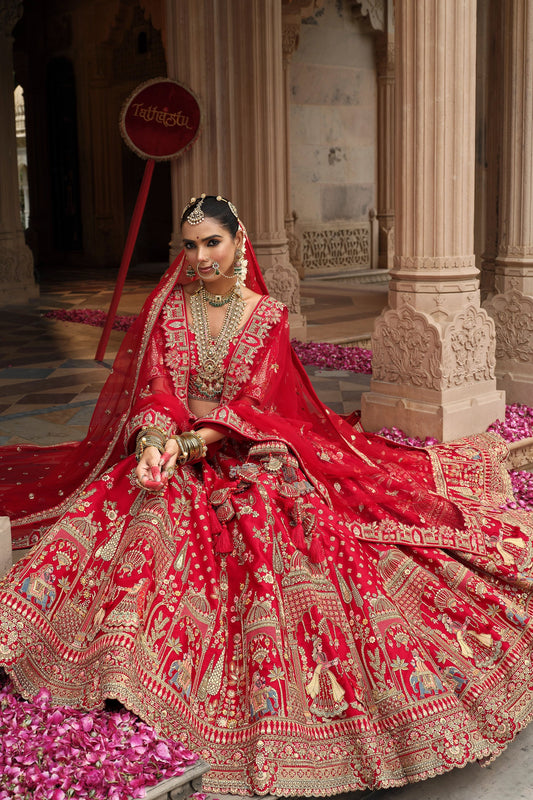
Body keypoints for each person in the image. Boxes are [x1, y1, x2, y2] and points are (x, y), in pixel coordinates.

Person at [0, 194, 532, 797]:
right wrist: (154, 440)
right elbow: (155, 388)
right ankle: (114, 662)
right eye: (190, 246)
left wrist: (194, 444)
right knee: (132, 509)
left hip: (246, 452)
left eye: (212, 243)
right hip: (171, 450)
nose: (200, 257)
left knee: (281, 535)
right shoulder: (168, 312)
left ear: (239, 241)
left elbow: (257, 403)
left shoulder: (268, 316)